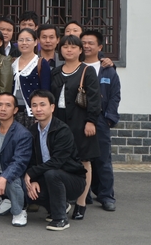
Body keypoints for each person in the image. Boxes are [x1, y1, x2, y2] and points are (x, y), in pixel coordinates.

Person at [50, 34, 101, 220]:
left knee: (83, 161)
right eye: (65, 46)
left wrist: (91, 121)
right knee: (61, 160)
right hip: (59, 121)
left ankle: (81, 203)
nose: (69, 50)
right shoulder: (56, 72)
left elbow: (94, 98)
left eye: (73, 47)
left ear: (80, 50)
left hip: (81, 122)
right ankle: (62, 201)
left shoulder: (87, 71)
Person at [25, 90, 87, 231]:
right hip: (47, 176)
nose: (38, 109)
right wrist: (33, 179)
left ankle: (60, 219)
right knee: (27, 186)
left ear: (52, 107)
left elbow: (57, 162)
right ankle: (60, 206)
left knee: (52, 174)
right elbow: (32, 159)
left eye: (42, 105)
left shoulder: (62, 130)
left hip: (73, 179)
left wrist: (32, 172)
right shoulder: (33, 131)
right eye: (34, 105)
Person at [81, 30, 119, 212]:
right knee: (81, 158)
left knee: (103, 160)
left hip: (101, 120)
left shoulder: (108, 70)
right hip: (80, 119)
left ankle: (106, 196)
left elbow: (115, 96)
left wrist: (109, 119)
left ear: (100, 47)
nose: (86, 46)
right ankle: (85, 193)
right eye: (84, 43)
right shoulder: (76, 66)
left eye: (91, 43)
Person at [0, 92, 32, 227]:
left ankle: (19, 211)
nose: (3, 109)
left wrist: (4, 177)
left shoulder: (23, 134)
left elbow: (19, 162)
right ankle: (7, 200)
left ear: (15, 110)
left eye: (8, 105)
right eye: (0, 105)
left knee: (12, 180)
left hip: (16, 177)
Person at [12, 27, 51, 129]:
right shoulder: (13, 62)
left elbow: (45, 90)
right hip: (14, 111)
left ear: (35, 42)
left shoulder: (41, 62)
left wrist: (41, 112)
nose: (24, 43)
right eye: (21, 40)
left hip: (32, 111)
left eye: (28, 40)